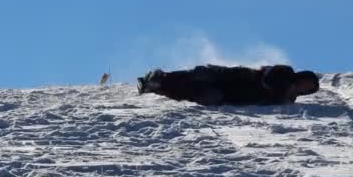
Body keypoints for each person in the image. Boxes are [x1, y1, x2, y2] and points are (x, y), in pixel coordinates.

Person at [137, 64, 320, 106]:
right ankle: (161, 78)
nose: (305, 87)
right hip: (237, 78)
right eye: (306, 82)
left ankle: (158, 88)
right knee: (201, 75)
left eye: (308, 89)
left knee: (200, 94)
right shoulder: (285, 72)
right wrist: (285, 91)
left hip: (233, 95)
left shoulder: (288, 99)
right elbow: (269, 79)